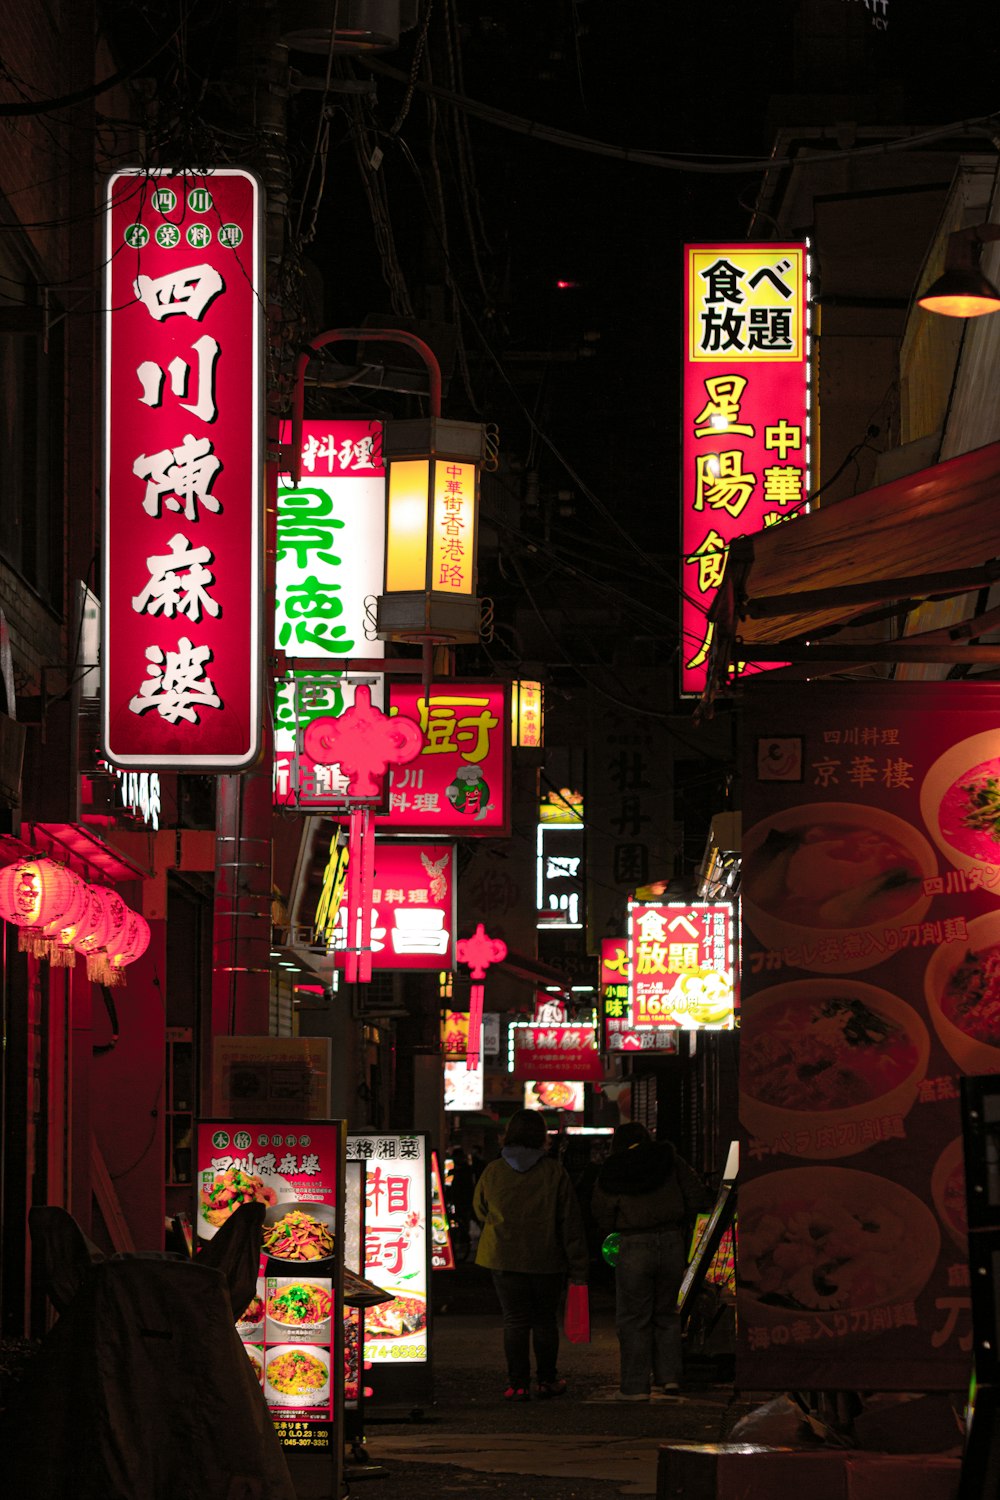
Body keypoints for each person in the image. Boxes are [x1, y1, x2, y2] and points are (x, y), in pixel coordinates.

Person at [473, 1107, 589, 1402]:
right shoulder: (553, 1172)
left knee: (514, 1321)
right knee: (544, 1320)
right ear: (542, 1137)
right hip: (546, 1257)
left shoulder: (494, 1171)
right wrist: (578, 1265)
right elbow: (569, 1221)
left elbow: (480, 1209)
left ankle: (518, 1384)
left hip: (503, 1256)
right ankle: (547, 1381)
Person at [590, 1120, 710, 1401]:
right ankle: (670, 1379)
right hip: (670, 1240)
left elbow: (602, 1209)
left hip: (633, 1242)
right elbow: (696, 1194)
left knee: (634, 1317)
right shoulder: (669, 1158)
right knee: (667, 1314)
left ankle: (635, 1387)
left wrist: (612, 1229)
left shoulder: (613, 1168)